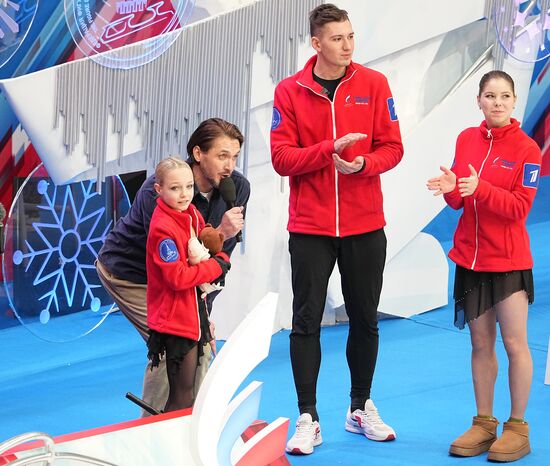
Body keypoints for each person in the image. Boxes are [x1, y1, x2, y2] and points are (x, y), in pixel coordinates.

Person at [270, 3, 403, 455]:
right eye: (337, 38)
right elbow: (281, 158)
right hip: (310, 226)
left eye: (351, 36)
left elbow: (393, 147)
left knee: (365, 319)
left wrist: (363, 163)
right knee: (305, 322)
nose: (347, 46)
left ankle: (360, 406)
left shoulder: (374, 84)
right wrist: (327, 150)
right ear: (316, 43)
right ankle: (308, 416)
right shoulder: (290, 91)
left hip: (366, 224)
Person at [96, 118, 250, 415]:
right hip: (131, 273)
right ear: (197, 153)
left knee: (199, 341)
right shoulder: (160, 193)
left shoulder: (237, 188)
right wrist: (220, 233)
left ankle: (192, 420)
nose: (229, 165)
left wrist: (203, 313)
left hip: (181, 278)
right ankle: (153, 429)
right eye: (221, 156)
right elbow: (175, 268)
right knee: (173, 346)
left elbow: (218, 263)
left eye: (234, 157)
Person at [427, 70, 541, 463]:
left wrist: (482, 189)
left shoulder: (528, 150)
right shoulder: (466, 139)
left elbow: (519, 209)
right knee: (480, 344)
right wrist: (450, 192)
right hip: (470, 259)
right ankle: (483, 423)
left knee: (514, 344)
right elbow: (461, 200)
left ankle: (517, 426)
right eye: (489, 95)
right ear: (479, 100)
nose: (497, 102)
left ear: (514, 103)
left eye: (504, 96)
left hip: (508, 262)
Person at [145, 157, 231, 412]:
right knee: (181, 396)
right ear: (159, 190)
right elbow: (178, 277)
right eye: (175, 188)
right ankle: (168, 444)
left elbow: (204, 234)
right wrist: (217, 265)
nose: (184, 194)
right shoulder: (162, 228)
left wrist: (217, 242)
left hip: (191, 315)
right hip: (175, 323)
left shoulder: (190, 212)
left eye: (189, 186)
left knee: (191, 391)